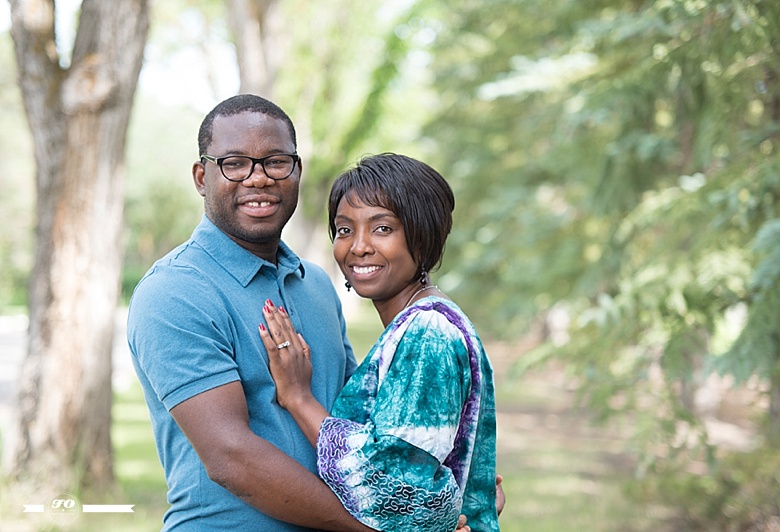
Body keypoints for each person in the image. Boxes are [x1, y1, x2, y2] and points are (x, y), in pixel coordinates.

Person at [127, 94, 377, 531]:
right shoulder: (175, 291)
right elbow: (232, 459)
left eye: (276, 162)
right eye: (235, 164)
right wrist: (376, 528)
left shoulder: (317, 283)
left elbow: (358, 423)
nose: (258, 178)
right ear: (202, 177)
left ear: (296, 172)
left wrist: (450, 490)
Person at [258, 153, 500, 531]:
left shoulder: (428, 333)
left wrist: (298, 398)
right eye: (344, 230)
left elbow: (394, 492)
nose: (358, 246)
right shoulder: (418, 324)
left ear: (422, 236)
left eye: (382, 228)